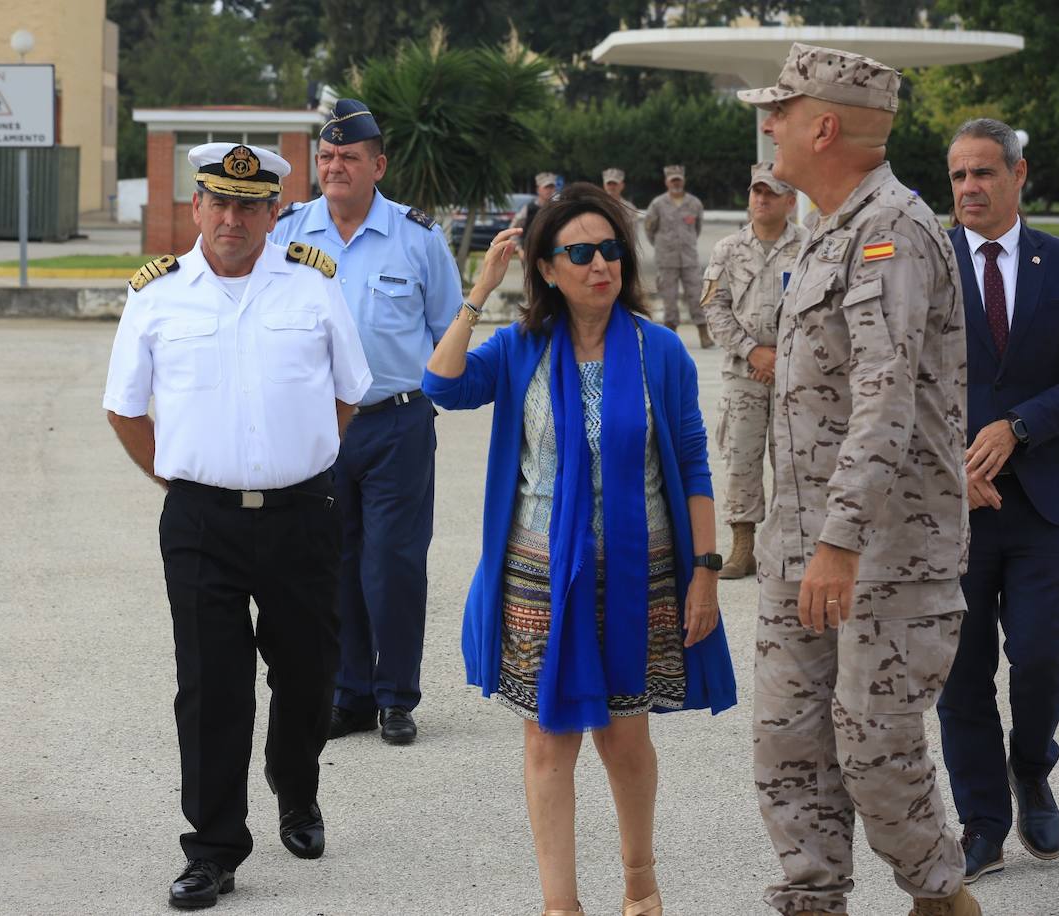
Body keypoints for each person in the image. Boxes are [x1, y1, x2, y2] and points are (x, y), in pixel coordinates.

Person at [422, 183, 736, 916]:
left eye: (611, 250)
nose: (602, 264)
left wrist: (707, 573)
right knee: (548, 744)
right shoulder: (521, 348)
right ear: (549, 269)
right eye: (581, 253)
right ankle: (561, 907)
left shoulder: (660, 352)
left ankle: (640, 882)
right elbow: (440, 383)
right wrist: (481, 289)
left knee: (624, 744)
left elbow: (692, 465)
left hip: (643, 574)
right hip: (539, 577)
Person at [738, 44, 981, 916]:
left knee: (876, 750)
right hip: (799, 548)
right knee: (787, 748)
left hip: (882, 553)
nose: (768, 125)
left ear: (825, 126)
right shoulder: (824, 230)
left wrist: (839, 541)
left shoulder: (894, 230)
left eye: (781, 111)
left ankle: (941, 897)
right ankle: (812, 901)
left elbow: (881, 398)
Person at [103, 142, 372, 910]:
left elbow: (349, 393)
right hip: (200, 523)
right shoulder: (157, 296)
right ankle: (214, 849)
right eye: (218, 202)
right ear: (196, 208)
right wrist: (181, 476)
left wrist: (302, 455)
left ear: (273, 212)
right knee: (211, 689)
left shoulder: (313, 286)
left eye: (248, 205)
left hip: (301, 515)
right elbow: (124, 408)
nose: (232, 218)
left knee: (309, 673)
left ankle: (296, 788)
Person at [936, 118, 1059, 884]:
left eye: (982, 173)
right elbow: (895, 379)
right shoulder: (928, 265)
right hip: (949, 508)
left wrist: (1019, 426)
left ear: (1017, 175)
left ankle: (1031, 765)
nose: (969, 189)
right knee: (961, 671)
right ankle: (982, 822)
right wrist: (950, 463)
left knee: (1043, 653)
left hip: (1041, 502)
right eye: (957, 177)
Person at [271, 99, 462, 746]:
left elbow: (447, 331)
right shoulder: (288, 234)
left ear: (377, 165)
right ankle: (348, 694)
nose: (334, 167)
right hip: (317, 425)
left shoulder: (418, 237)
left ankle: (395, 696)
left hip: (395, 423)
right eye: (325, 157)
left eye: (349, 157)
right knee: (331, 563)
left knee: (394, 563)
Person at [700, 163, 802, 579]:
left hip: (794, 374)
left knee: (793, 458)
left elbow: (820, 311)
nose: (760, 199)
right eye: (756, 191)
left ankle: (787, 546)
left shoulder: (809, 246)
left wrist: (781, 357)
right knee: (740, 456)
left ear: (790, 202)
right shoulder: (727, 249)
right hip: (743, 374)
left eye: (771, 193)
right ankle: (743, 547)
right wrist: (752, 352)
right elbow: (714, 307)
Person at [644, 165, 713, 349]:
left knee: (697, 295)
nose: (676, 183)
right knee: (669, 299)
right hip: (666, 260)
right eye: (672, 180)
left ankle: (703, 333)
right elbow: (649, 229)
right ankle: (670, 337)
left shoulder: (694, 204)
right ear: (666, 182)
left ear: (683, 180)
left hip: (689, 259)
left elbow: (697, 228)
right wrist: (662, 246)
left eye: (678, 179)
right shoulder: (657, 204)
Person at [512, 172, 558, 255]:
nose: (549, 190)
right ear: (538, 189)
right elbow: (514, 230)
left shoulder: (558, 209)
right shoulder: (528, 209)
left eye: (552, 187)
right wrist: (519, 249)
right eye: (546, 187)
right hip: (531, 254)